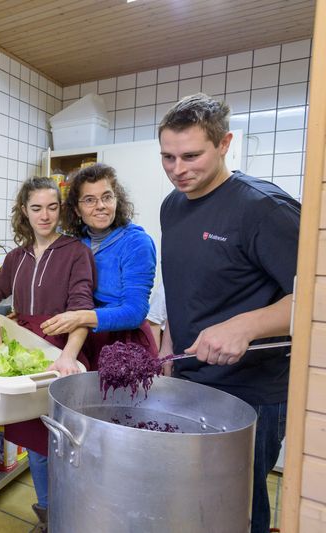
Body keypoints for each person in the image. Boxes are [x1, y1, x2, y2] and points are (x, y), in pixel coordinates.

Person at [157, 93, 299, 533]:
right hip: (190, 382)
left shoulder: (263, 208)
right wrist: (166, 356)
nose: (178, 169)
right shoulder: (171, 205)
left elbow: (316, 299)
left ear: (224, 144)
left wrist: (247, 325)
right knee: (193, 505)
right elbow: (181, 289)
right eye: (167, 157)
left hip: (251, 392)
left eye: (191, 155)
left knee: (237, 511)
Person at [0, 176, 95, 533]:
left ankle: (73, 519)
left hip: (62, 358)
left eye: (52, 207)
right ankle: (47, 517)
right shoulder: (16, 257)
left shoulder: (76, 252)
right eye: (37, 208)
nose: (45, 216)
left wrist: (68, 358)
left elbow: (82, 310)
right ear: (24, 212)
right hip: (24, 363)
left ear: (62, 210)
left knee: (67, 446)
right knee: (38, 449)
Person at [52, 162, 158, 366]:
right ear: (76, 209)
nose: (100, 205)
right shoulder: (76, 243)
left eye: (107, 197)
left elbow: (135, 312)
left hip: (125, 348)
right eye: (89, 200)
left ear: (117, 200)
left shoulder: (136, 243)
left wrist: (80, 317)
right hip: (84, 341)